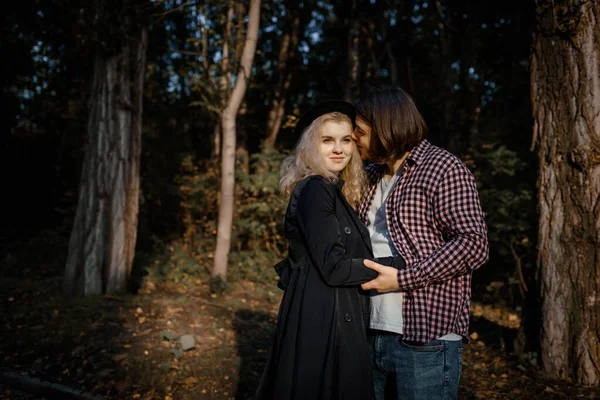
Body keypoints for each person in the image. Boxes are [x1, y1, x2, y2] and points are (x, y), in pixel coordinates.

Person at [255, 100, 402, 400]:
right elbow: (333, 267)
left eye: (346, 140)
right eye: (327, 140)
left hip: (329, 310)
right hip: (322, 317)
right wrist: (398, 264)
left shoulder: (331, 189)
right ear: (311, 146)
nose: (339, 149)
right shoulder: (316, 188)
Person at [351, 87, 489, 400]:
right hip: (367, 332)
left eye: (360, 131)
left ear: (386, 129)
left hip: (425, 337)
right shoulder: (369, 174)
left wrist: (402, 279)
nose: (354, 137)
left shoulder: (443, 168)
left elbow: (473, 244)